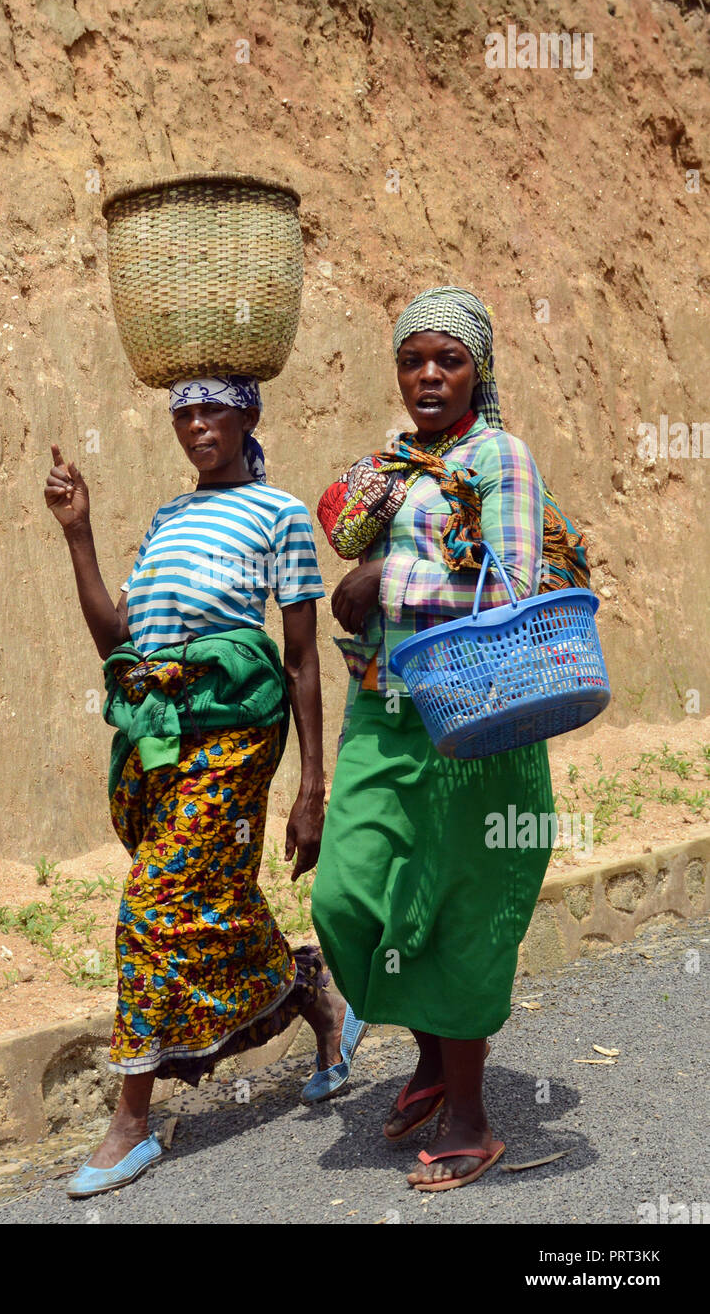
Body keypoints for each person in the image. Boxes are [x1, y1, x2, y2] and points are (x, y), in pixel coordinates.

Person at [44, 375, 364, 1198]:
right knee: (205, 900)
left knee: (149, 907)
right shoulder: (168, 518)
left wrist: (311, 787)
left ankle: (131, 1122)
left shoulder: (280, 515)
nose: (194, 424)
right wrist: (79, 535)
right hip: (156, 741)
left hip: (236, 732)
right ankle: (314, 999)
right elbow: (118, 639)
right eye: (182, 412)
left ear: (248, 414)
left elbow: (299, 661)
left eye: (211, 408)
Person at [311, 286, 557, 1192]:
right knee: (350, 896)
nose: (426, 375)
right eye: (412, 359)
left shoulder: (503, 458)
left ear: (477, 370)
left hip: (478, 715)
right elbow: (340, 529)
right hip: (383, 707)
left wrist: (391, 581)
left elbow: (518, 589)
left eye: (446, 360)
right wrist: (373, 510)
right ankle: (427, 1055)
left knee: (453, 910)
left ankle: (471, 1117)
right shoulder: (394, 462)